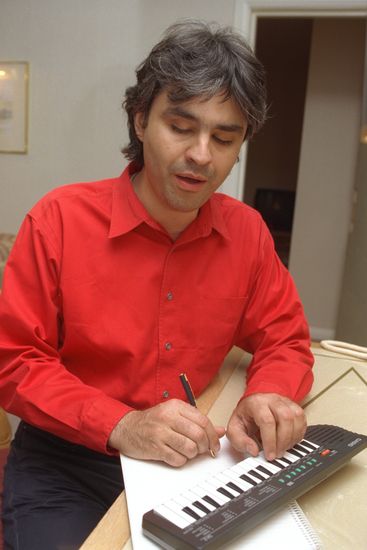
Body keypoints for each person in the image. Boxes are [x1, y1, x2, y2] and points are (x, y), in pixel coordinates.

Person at [0, 19, 314, 550]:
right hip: (66, 463)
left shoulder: (247, 233)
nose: (200, 154)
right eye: (181, 126)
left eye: (223, 136)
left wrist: (269, 392)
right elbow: (15, 360)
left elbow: (283, 337)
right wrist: (121, 424)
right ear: (140, 119)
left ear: (242, 145)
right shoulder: (58, 220)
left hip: (194, 462)